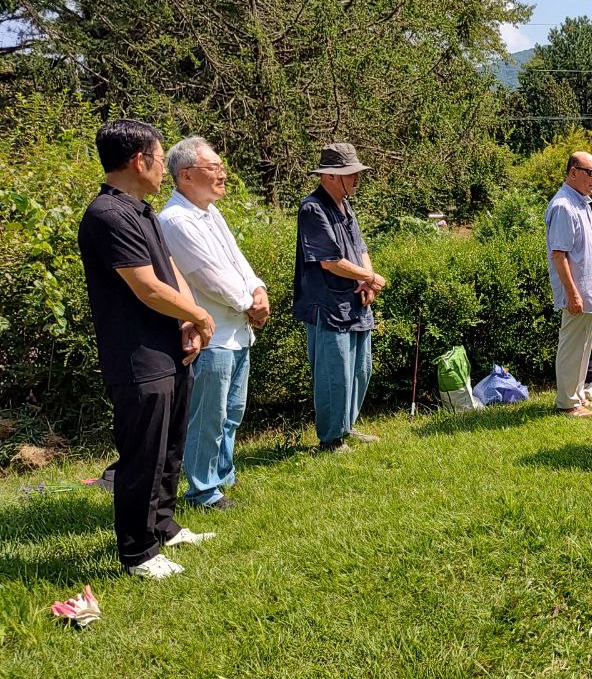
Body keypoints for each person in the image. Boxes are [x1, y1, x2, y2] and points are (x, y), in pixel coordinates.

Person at [77, 120, 217, 580]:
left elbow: (169, 268)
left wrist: (186, 317)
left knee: (171, 444)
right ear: (140, 161)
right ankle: (138, 552)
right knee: (143, 454)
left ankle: (163, 525)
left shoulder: (142, 212)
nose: (162, 168)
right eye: (160, 159)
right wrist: (199, 316)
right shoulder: (107, 215)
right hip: (138, 357)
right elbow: (145, 287)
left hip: (170, 347)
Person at [158, 137, 268, 511]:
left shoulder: (209, 212)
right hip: (212, 335)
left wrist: (259, 288)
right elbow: (208, 276)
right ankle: (203, 490)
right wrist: (247, 303)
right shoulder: (175, 220)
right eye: (214, 168)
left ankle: (222, 476)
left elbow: (237, 261)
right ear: (186, 175)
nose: (222, 174)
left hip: (237, 330)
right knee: (208, 417)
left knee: (231, 412)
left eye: (222, 166)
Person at [293, 143, 386, 453]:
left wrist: (367, 281)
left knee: (361, 369)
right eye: (351, 174)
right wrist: (369, 278)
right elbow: (329, 261)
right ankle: (331, 439)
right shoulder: (312, 208)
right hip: (328, 306)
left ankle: (346, 426)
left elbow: (361, 249)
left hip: (356, 302)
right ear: (331, 176)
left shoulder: (346, 206)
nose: (356, 179)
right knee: (335, 375)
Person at [545, 151, 592, 418]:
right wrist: (573, 293)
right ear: (573, 172)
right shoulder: (563, 206)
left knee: (583, 347)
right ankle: (567, 403)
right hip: (577, 293)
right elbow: (559, 254)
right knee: (572, 346)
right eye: (590, 172)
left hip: (588, 291)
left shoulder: (582, 203)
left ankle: (578, 396)